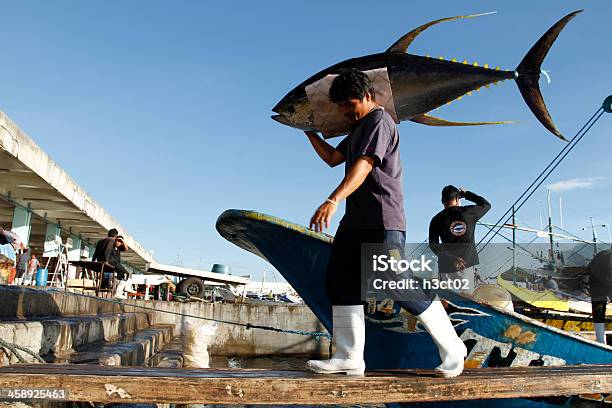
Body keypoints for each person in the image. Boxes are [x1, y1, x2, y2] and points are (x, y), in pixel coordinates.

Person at [304, 69, 466, 377]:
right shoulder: (360, 126)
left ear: (368, 96)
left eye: (350, 105)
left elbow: (363, 166)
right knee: (340, 282)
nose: (346, 112)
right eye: (341, 108)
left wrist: (333, 199)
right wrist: (309, 131)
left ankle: (453, 346)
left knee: (394, 281)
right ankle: (349, 356)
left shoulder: (379, 122)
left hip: (382, 218)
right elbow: (332, 159)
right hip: (356, 221)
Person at [429, 186, 491, 294]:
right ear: (458, 199)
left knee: (447, 301)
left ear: (442, 201)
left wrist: (452, 258)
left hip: (446, 266)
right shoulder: (468, 212)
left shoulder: (436, 219)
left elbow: (433, 245)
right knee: (466, 300)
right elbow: (486, 205)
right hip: (466, 265)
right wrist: (466, 194)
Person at [585, 248, 612, 344]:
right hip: (608, 287)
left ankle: (601, 343)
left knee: (599, 319)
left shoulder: (601, 254)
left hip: (596, 289)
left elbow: (588, 269)